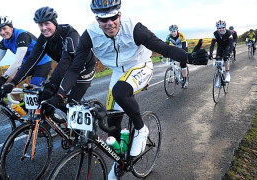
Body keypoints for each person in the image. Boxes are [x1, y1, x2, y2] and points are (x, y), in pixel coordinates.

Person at [47, 1, 207, 179]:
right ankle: (120, 162)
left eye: (113, 17)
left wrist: (189, 57)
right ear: (97, 19)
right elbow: (75, 68)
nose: (109, 23)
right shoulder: (90, 34)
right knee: (113, 125)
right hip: (117, 71)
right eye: (104, 19)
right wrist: (59, 95)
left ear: (120, 15)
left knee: (120, 92)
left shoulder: (134, 28)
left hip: (140, 65)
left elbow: (162, 48)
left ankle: (141, 128)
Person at [1, 7, 96, 112]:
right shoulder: (43, 39)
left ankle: (85, 122)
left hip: (84, 68)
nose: (44, 28)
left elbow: (66, 60)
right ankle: (55, 126)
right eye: (40, 25)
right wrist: (13, 82)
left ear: (54, 22)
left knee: (71, 107)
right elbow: (31, 60)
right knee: (46, 102)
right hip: (67, 69)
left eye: (47, 23)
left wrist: (52, 85)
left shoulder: (69, 32)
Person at [0, 15, 52, 108]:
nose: (2, 32)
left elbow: (17, 61)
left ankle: (45, 113)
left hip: (42, 63)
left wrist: (3, 77)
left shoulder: (21, 35)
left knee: (32, 92)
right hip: (27, 64)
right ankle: (22, 105)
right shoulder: (4, 42)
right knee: (9, 83)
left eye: (4, 28)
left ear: (11, 26)